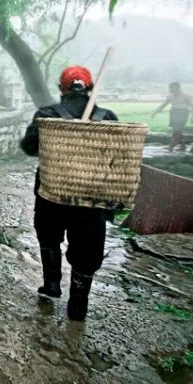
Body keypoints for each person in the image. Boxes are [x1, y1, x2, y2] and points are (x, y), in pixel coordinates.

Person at [20, 65, 118, 322]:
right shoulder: (107, 118)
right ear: (90, 88)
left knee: (49, 237)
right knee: (87, 248)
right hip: (92, 198)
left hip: (52, 194)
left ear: (61, 89)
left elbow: (29, 147)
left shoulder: (47, 115)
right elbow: (118, 159)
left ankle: (51, 285)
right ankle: (78, 305)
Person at [153, 82, 193, 151]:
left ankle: (172, 145)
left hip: (183, 113)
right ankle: (183, 146)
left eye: (173, 88)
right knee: (178, 130)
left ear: (178, 88)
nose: (171, 89)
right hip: (174, 113)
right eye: (170, 88)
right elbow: (164, 105)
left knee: (177, 130)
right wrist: (155, 112)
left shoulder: (185, 96)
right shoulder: (170, 96)